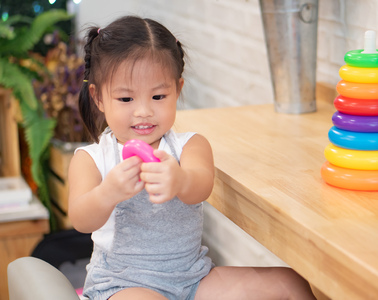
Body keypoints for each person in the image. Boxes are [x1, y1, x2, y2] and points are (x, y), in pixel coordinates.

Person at [68, 15, 317, 300]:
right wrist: (107, 193)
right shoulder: (92, 158)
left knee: (289, 285)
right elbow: (80, 218)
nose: (143, 111)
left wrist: (179, 180)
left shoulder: (190, 146)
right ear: (98, 98)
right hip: (122, 284)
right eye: (126, 99)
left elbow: (202, 185)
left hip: (192, 277)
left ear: (178, 90)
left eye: (158, 96)